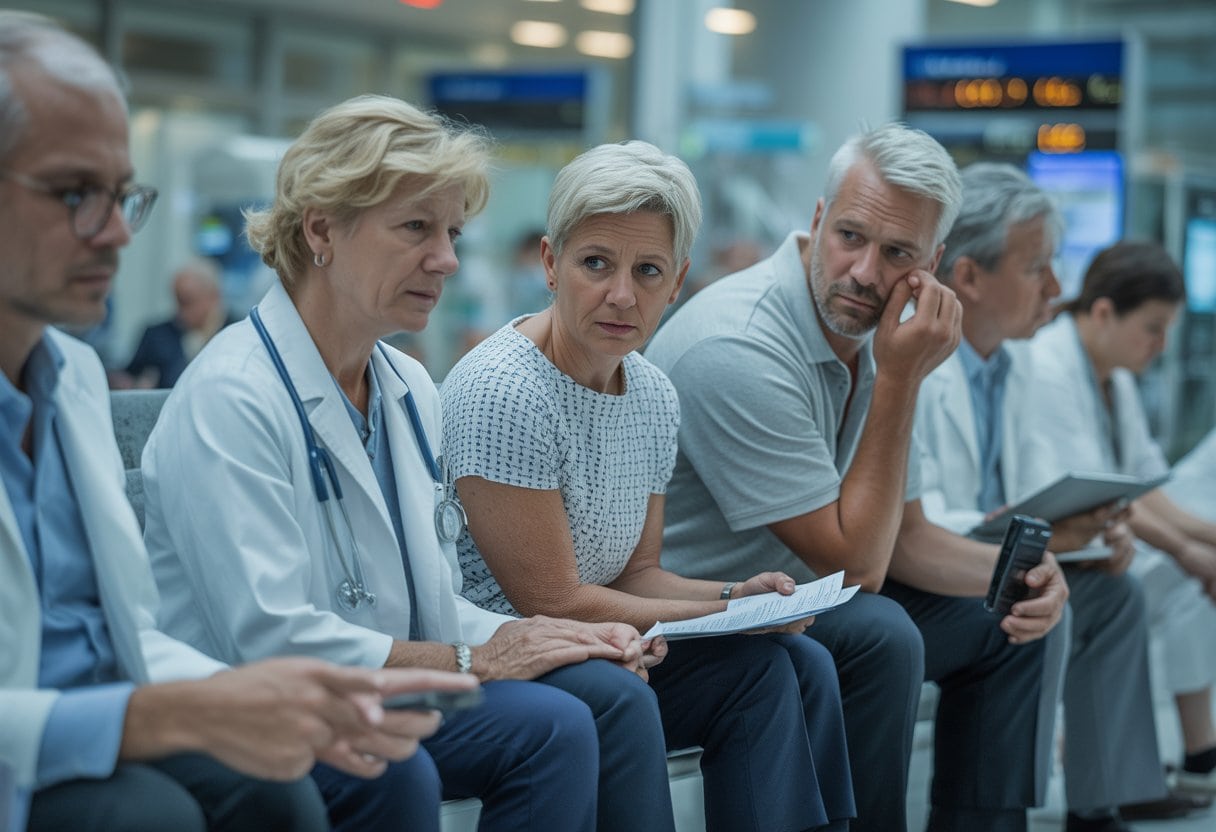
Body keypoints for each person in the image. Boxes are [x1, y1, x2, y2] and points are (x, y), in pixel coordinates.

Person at [140, 94, 674, 832]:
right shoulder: (233, 395)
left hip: (389, 683)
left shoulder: (405, 385)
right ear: (321, 228)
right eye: (417, 228)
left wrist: (552, 638)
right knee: (405, 764)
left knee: (594, 701)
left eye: (452, 231)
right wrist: (468, 662)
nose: (448, 259)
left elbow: (431, 598)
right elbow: (269, 637)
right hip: (267, 705)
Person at [0, 12, 468, 832]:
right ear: (322, 231)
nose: (115, 233)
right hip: (47, 740)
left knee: (328, 781)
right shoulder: (229, 389)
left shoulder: (69, 376)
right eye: (75, 194)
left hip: (121, 707)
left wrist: (230, 699)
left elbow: (127, 634)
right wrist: (165, 714)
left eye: (121, 196)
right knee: (149, 814)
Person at [645, 122, 1071, 832]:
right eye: (851, 237)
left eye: (897, 252)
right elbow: (858, 567)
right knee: (881, 631)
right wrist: (900, 379)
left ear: (931, 261)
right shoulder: (740, 343)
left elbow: (908, 537)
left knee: (1016, 618)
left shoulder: (882, 332)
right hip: (699, 618)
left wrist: (1026, 571)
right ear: (817, 221)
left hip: (800, 600)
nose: (867, 272)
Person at [441, 140, 855, 832]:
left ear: (678, 280)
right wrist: (723, 616)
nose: (622, 294)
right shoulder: (503, 389)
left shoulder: (653, 392)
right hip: (513, 651)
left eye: (648, 270)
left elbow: (638, 572)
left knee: (797, 662)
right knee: (631, 694)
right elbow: (552, 602)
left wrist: (736, 596)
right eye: (596, 264)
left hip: (604, 641)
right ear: (551, 263)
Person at [917, 163, 1209, 831]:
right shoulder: (929, 364)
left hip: (995, 552)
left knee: (1116, 591)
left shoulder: (1013, 363)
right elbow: (925, 518)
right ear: (968, 276)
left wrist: (1094, 531)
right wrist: (1056, 538)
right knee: (1038, 610)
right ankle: (999, 813)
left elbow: (1057, 486)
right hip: (941, 561)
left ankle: (1099, 801)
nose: (1057, 289)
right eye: (1037, 269)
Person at [1027, 240, 1216, 796]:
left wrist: (1206, 541)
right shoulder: (1049, 368)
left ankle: (1192, 757)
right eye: (1153, 329)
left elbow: (1147, 488)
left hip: (1100, 543)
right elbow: (1100, 501)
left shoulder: (1116, 380)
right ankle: (1191, 756)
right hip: (1065, 554)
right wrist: (1189, 552)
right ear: (1104, 311)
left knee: (1197, 570)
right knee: (1187, 580)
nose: (1161, 346)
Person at [122, 257, 234, 388]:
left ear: (214, 296)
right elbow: (128, 378)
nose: (180, 311)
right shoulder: (156, 336)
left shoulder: (236, 334)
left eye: (187, 301)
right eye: (177, 301)